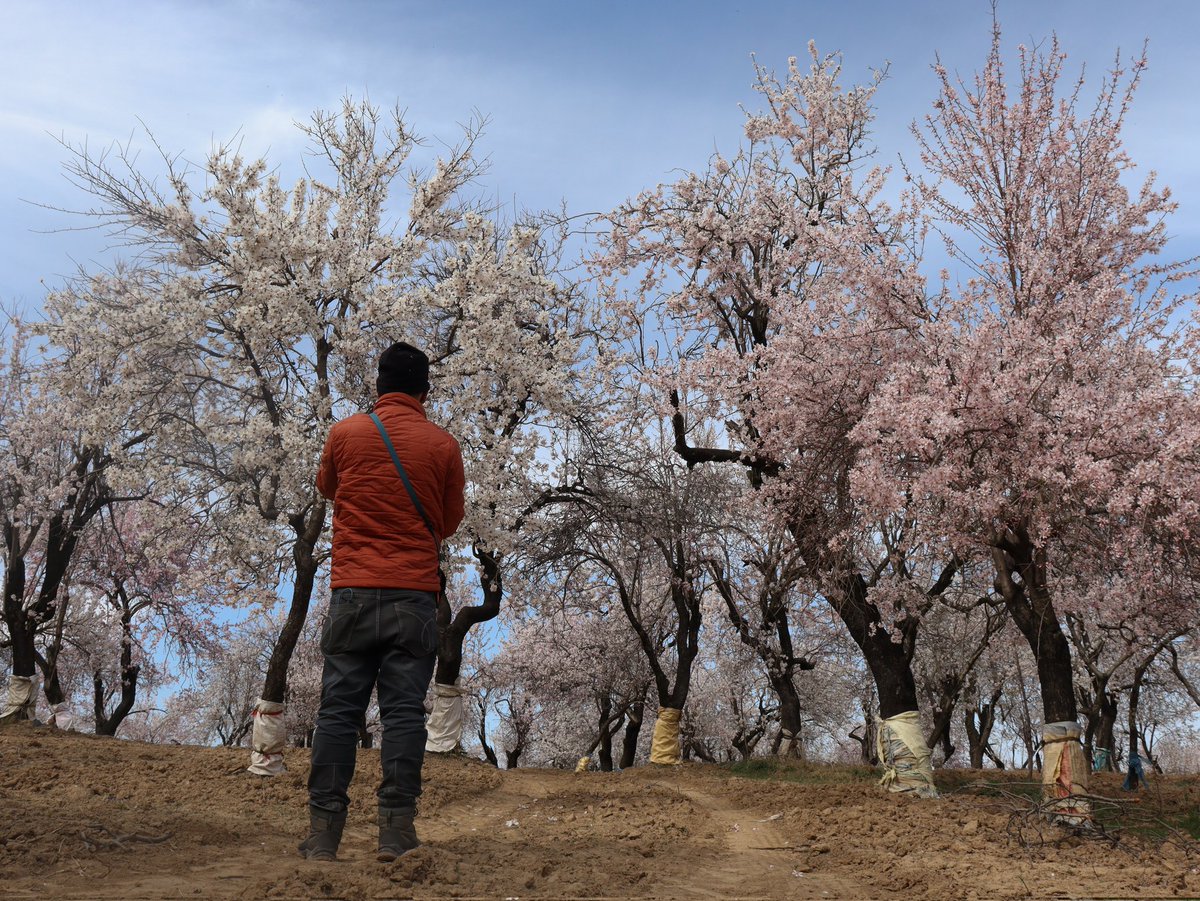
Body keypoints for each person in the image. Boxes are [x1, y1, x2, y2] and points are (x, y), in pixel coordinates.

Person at [299, 341, 465, 862]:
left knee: (337, 713)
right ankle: (395, 832)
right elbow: (449, 521)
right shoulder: (443, 446)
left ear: (378, 386)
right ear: (425, 392)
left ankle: (324, 834)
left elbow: (328, 487)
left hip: (352, 591)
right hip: (412, 596)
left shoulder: (344, 433)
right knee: (404, 715)